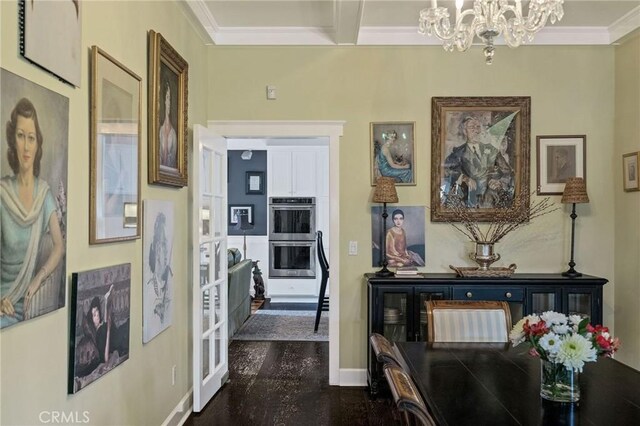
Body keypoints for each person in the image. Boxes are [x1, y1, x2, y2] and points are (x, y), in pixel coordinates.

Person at [1, 98, 64, 328]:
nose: (26, 147)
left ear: (38, 144)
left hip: (27, 305)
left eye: (31, 138)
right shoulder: (2, 193)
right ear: (12, 140)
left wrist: (38, 279)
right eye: (20, 136)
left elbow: (59, 246)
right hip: (2, 303)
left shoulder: (44, 195)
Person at [444, 116, 513, 208]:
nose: (476, 131)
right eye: (472, 127)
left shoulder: (491, 150)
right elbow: (445, 170)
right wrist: (463, 177)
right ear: (465, 131)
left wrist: (499, 182)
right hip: (468, 200)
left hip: (492, 200)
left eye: (478, 127)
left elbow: (507, 171)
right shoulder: (458, 153)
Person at [147, 212, 172, 323]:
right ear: (156, 249)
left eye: (166, 243)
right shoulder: (150, 289)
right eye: (163, 244)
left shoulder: (169, 281)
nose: (166, 250)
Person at [159, 81, 177, 168]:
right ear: (164, 101)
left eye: (170, 99)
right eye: (167, 97)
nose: (169, 102)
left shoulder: (173, 133)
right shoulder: (160, 131)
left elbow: (173, 161)